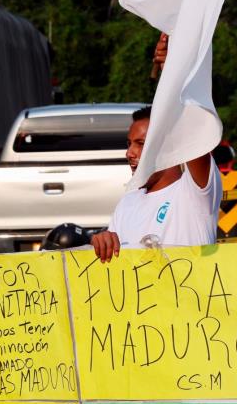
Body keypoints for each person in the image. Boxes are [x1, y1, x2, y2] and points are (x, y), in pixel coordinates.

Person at [91, 34, 221, 262]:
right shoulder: (128, 202)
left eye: (141, 144)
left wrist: (172, 71)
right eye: (129, 144)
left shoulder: (193, 193)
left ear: (170, 144)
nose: (129, 153)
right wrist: (103, 241)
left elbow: (191, 128)